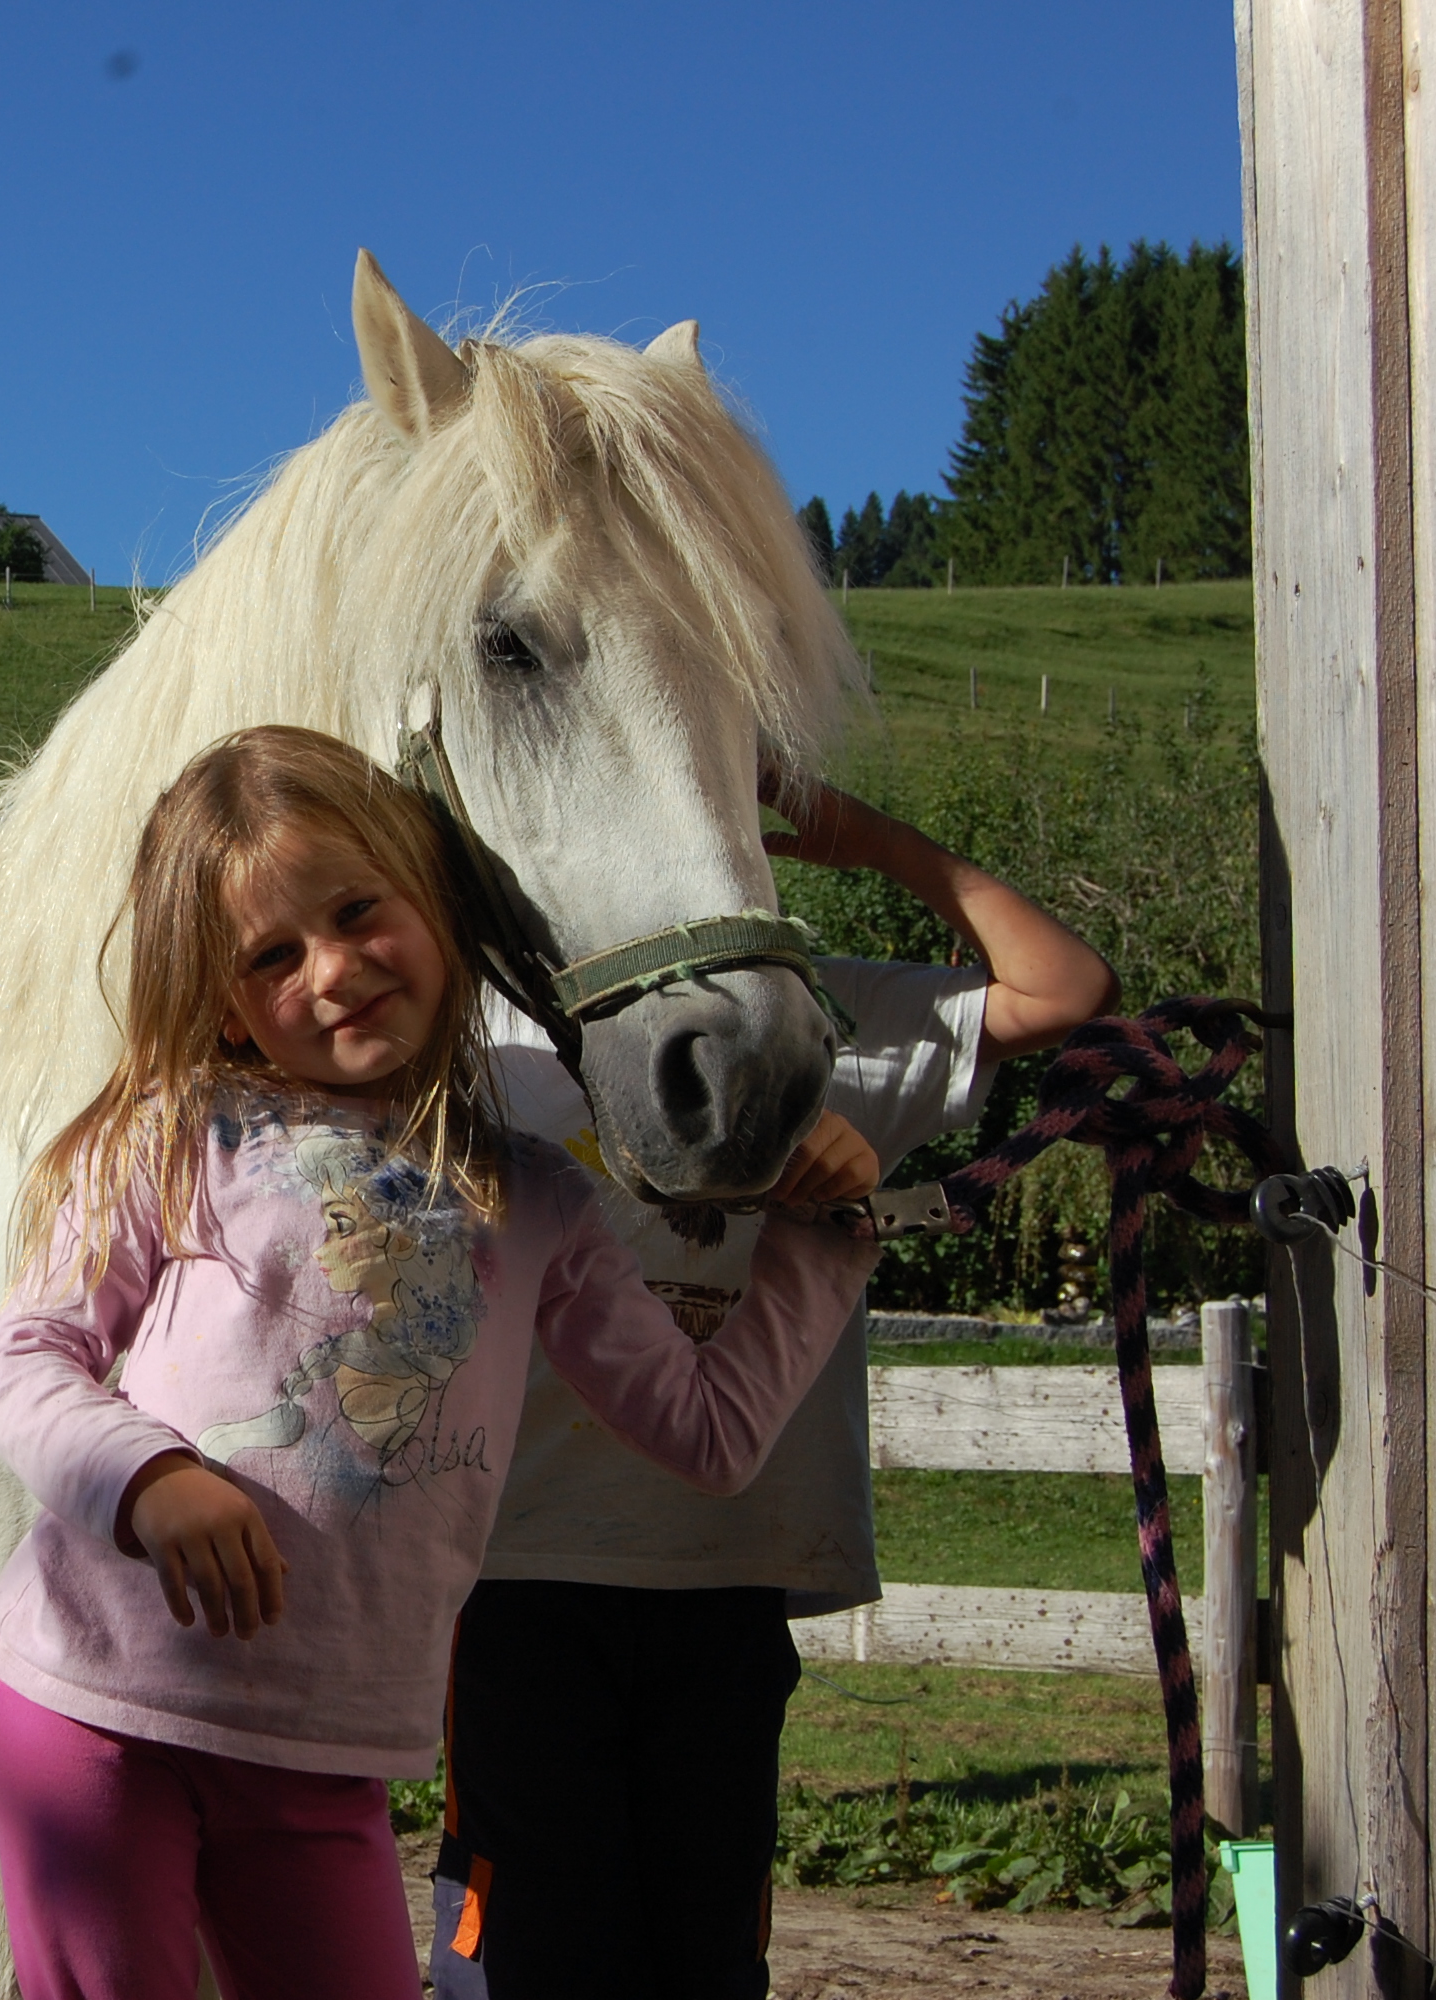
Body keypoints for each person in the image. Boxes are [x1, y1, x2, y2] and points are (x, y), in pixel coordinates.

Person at [0, 725, 885, 2000]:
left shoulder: (538, 1196)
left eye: (356, 912)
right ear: (222, 998)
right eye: (270, 956)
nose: (331, 970)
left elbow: (709, 1438)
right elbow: (19, 1357)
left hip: (326, 1756)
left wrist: (814, 1235)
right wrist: (145, 1475)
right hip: (92, 1710)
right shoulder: (170, 1137)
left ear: (430, 900)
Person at [431, 775, 1117, 2000]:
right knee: (531, 1932)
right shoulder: (499, 1026)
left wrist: (872, 839)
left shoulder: (836, 1014)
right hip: (517, 1565)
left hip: (727, 1565)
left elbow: (1061, 991)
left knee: (706, 1941)